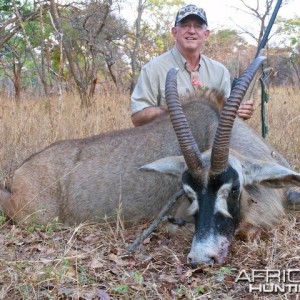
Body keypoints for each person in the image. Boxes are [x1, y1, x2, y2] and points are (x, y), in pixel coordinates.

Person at [130, 4, 254, 127]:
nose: (192, 31)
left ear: (206, 34)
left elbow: (227, 117)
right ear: (174, 32)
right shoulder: (153, 69)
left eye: (198, 26)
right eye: (185, 25)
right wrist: (176, 111)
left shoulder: (220, 72)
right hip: (168, 143)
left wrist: (239, 111)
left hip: (211, 144)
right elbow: (137, 117)